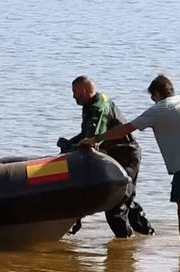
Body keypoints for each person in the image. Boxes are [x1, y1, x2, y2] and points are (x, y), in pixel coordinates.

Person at [82, 75, 180, 252]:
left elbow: (125, 130)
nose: (153, 101)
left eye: (152, 97)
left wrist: (96, 139)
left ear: (156, 94)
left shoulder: (158, 109)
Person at [59, 76, 154, 238]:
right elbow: (86, 135)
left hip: (125, 155)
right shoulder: (91, 104)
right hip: (116, 154)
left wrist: (73, 150)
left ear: (83, 91)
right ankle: (141, 237)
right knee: (125, 199)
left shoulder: (98, 108)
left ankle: (126, 242)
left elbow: (94, 140)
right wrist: (69, 144)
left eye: (74, 92)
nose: (73, 96)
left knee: (117, 202)